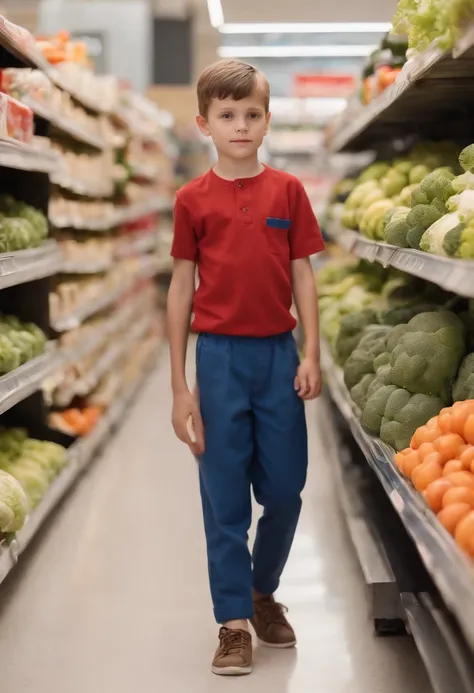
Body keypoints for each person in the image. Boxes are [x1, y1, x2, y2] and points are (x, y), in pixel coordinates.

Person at [167, 59, 325, 676]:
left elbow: (303, 273)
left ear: (267, 121)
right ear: (204, 123)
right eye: (227, 115)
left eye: (251, 114)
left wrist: (311, 351)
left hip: (278, 357)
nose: (240, 125)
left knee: (285, 489)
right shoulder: (191, 200)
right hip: (219, 359)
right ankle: (233, 622)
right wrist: (180, 387)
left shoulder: (288, 191)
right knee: (223, 496)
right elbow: (181, 289)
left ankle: (262, 591)